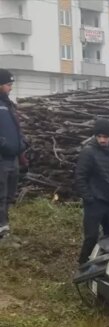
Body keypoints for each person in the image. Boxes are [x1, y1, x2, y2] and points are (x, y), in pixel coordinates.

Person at [75, 119, 109, 264]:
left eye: (105, 137)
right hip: (94, 202)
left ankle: (106, 266)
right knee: (91, 237)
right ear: (95, 136)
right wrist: (88, 198)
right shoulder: (88, 152)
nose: (102, 140)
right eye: (99, 136)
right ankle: (82, 265)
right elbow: (80, 177)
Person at [0, 69, 27, 238]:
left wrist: (22, 143)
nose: (11, 88)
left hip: (13, 158)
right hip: (1, 158)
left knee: (9, 196)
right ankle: (2, 231)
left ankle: (5, 226)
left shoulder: (8, 105)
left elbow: (16, 128)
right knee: (0, 196)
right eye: (8, 85)